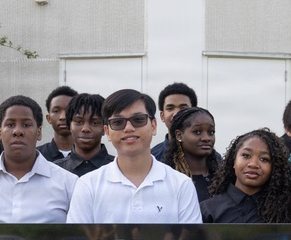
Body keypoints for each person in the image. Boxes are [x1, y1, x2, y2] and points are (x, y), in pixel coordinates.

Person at [66, 89, 201, 224]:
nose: (129, 128)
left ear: (153, 126)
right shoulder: (88, 186)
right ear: (107, 131)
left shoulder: (181, 185)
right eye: (118, 122)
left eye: (138, 120)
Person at [0, 95, 76, 223]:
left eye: (26, 125)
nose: (17, 131)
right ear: (0, 132)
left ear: (38, 132)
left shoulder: (69, 185)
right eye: (10, 124)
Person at [201, 128, 291, 223]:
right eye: (246, 155)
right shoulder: (208, 209)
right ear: (233, 160)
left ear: (274, 168)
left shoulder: (284, 211)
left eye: (264, 159)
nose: (253, 164)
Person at [161, 107, 220, 202]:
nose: (206, 138)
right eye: (197, 132)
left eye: (211, 132)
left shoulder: (223, 178)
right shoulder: (167, 180)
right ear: (179, 135)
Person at [55, 93, 114, 177]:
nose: (85, 129)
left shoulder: (119, 169)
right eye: (79, 122)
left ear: (105, 129)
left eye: (95, 123)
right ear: (69, 126)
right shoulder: (55, 170)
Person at [150, 82, 198, 161]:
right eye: (170, 108)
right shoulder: (152, 158)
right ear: (162, 116)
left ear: (195, 113)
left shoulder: (210, 157)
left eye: (183, 108)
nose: (176, 114)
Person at [36, 85, 78, 162]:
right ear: (49, 118)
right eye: (56, 111)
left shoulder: (88, 156)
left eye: (69, 110)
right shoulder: (36, 156)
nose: (63, 117)